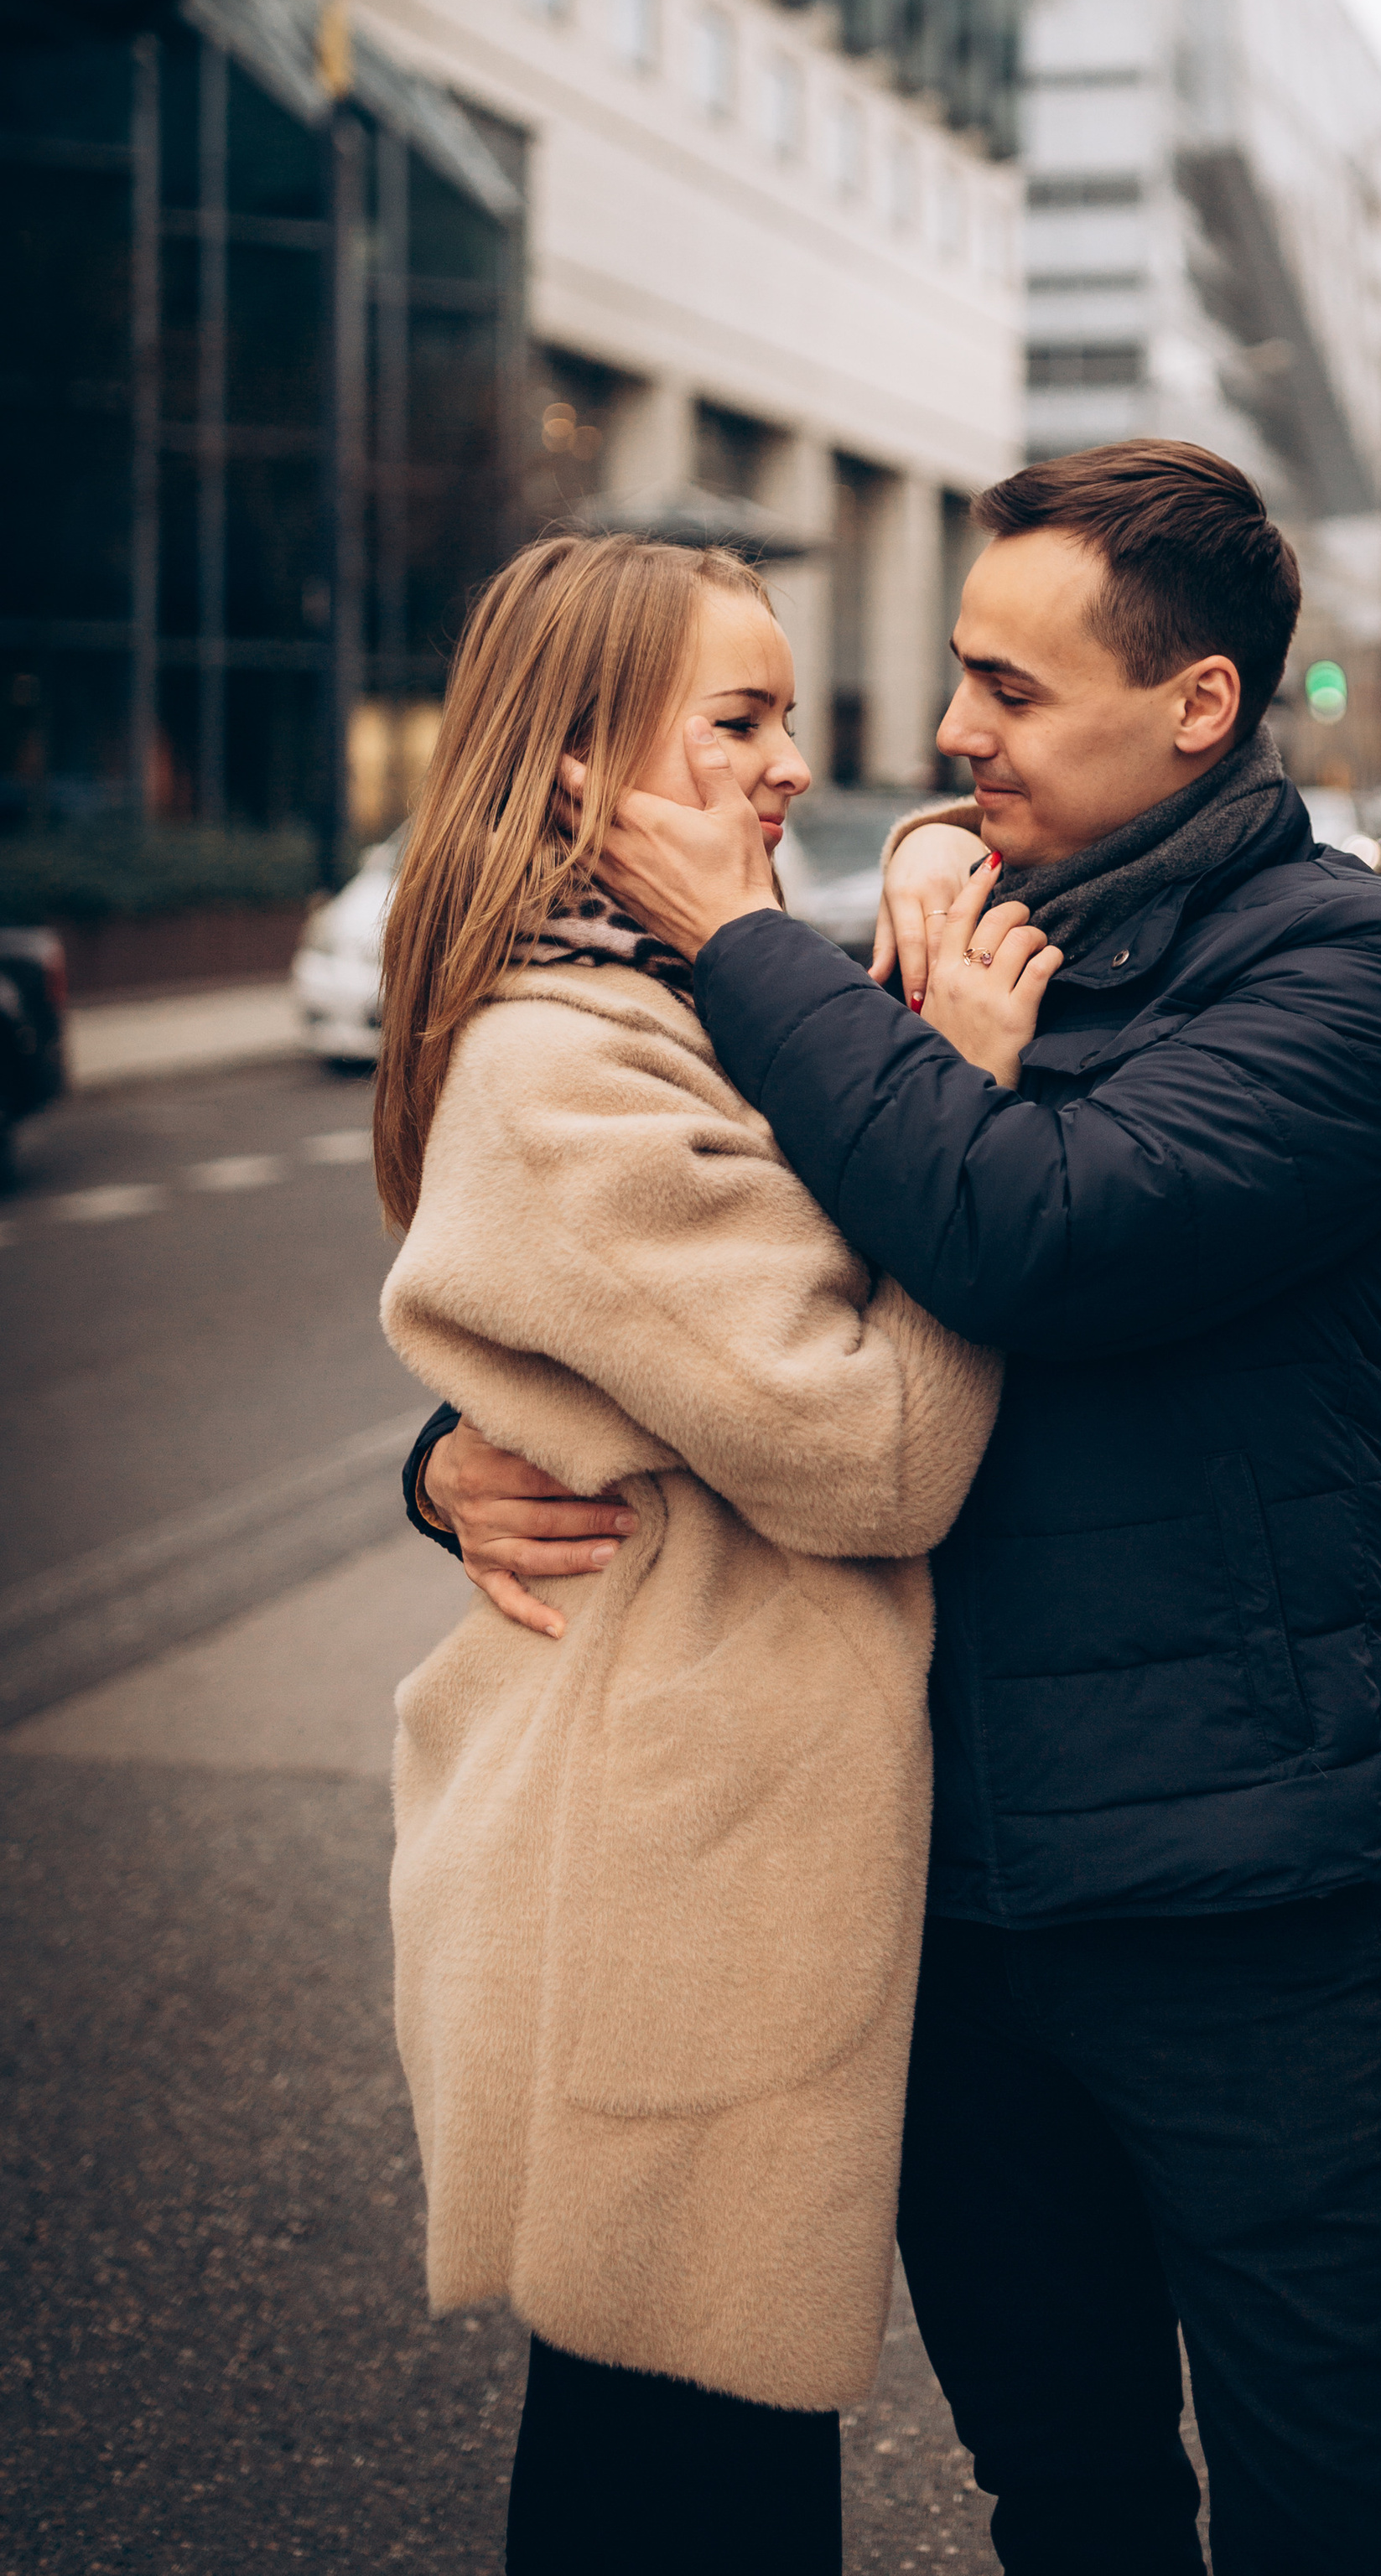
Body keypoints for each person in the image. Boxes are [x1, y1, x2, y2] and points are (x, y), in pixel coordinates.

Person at [414, 441, 1381, 2575]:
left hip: (1228, 1897)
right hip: (941, 1898)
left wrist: (753, 933)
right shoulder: (934, 946)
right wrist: (458, 1458)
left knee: (1333, 2492)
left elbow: (1028, 1234)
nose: (943, 732)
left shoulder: (1352, 975)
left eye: (1005, 689)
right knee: (1064, 2486)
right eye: (956, 682)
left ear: (1193, 709)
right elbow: (710, 1291)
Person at [374, 528, 1003, 2576]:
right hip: (673, 1875)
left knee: (683, 2455)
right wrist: (966, 1118)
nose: (783, 766)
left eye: (789, 719)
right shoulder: (571, 1068)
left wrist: (919, 854)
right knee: (679, 2477)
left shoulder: (665, 999)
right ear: (576, 770)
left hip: (700, 1843)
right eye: (733, 722)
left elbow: (849, 980)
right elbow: (883, 1451)